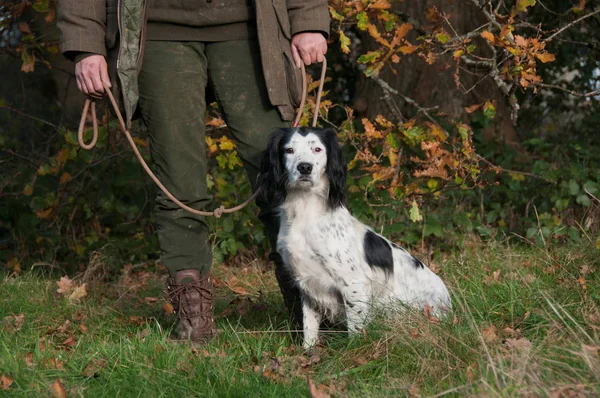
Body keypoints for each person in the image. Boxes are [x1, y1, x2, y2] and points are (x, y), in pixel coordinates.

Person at [57, 0, 329, 343]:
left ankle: (312, 309)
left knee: (285, 177)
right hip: (155, 32)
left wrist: (308, 18)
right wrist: (85, 44)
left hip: (251, 29)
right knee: (178, 182)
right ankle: (194, 322)